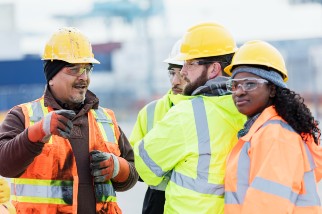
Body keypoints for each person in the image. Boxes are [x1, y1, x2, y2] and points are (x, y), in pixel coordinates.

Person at [0, 27, 138, 214]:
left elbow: (132, 174)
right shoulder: (23, 116)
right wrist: (39, 131)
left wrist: (117, 167)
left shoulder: (106, 119)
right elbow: (5, 165)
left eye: (87, 69)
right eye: (74, 70)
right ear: (51, 77)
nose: (84, 77)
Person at [133, 22, 246, 213]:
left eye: (190, 64)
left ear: (213, 69)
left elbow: (144, 167)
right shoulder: (248, 110)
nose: (183, 72)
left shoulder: (186, 113)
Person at [224, 40, 322, 213]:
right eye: (235, 85)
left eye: (249, 83)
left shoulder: (276, 134)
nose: (239, 91)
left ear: (272, 90)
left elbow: (268, 206)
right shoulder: (260, 131)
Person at [129, 39, 191, 214]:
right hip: (157, 200)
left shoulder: (212, 110)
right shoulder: (150, 111)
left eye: (182, 74)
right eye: (172, 73)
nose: (175, 81)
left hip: (196, 203)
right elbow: (133, 161)